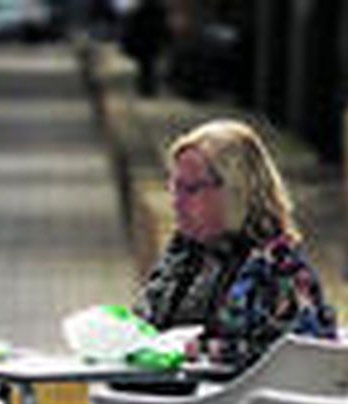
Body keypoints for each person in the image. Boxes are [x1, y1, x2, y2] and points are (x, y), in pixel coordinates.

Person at [136, 118, 337, 374]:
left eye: (190, 189)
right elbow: (147, 322)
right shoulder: (185, 249)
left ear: (235, 191)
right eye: (174, 187)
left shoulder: (277, 265)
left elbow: (299, 360)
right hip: (176, 399)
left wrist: (200, 350)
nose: (176, 201)